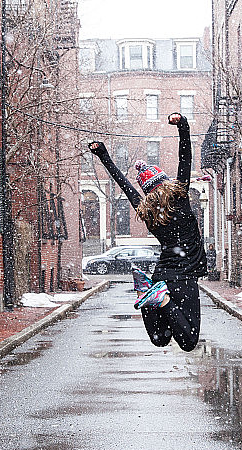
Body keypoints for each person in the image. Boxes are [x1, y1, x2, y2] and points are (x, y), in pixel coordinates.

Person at [89, 113, 207, 351]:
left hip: (161, 275)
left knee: (160, 338)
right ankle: (159, 299)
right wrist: (183, 126)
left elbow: (123, 183)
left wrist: (103, 155)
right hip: (183, 278)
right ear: (166, 182)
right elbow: (186, 158)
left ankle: (150, 295)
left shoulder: (147, 211)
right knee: (188, 341)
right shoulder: (180, 197)